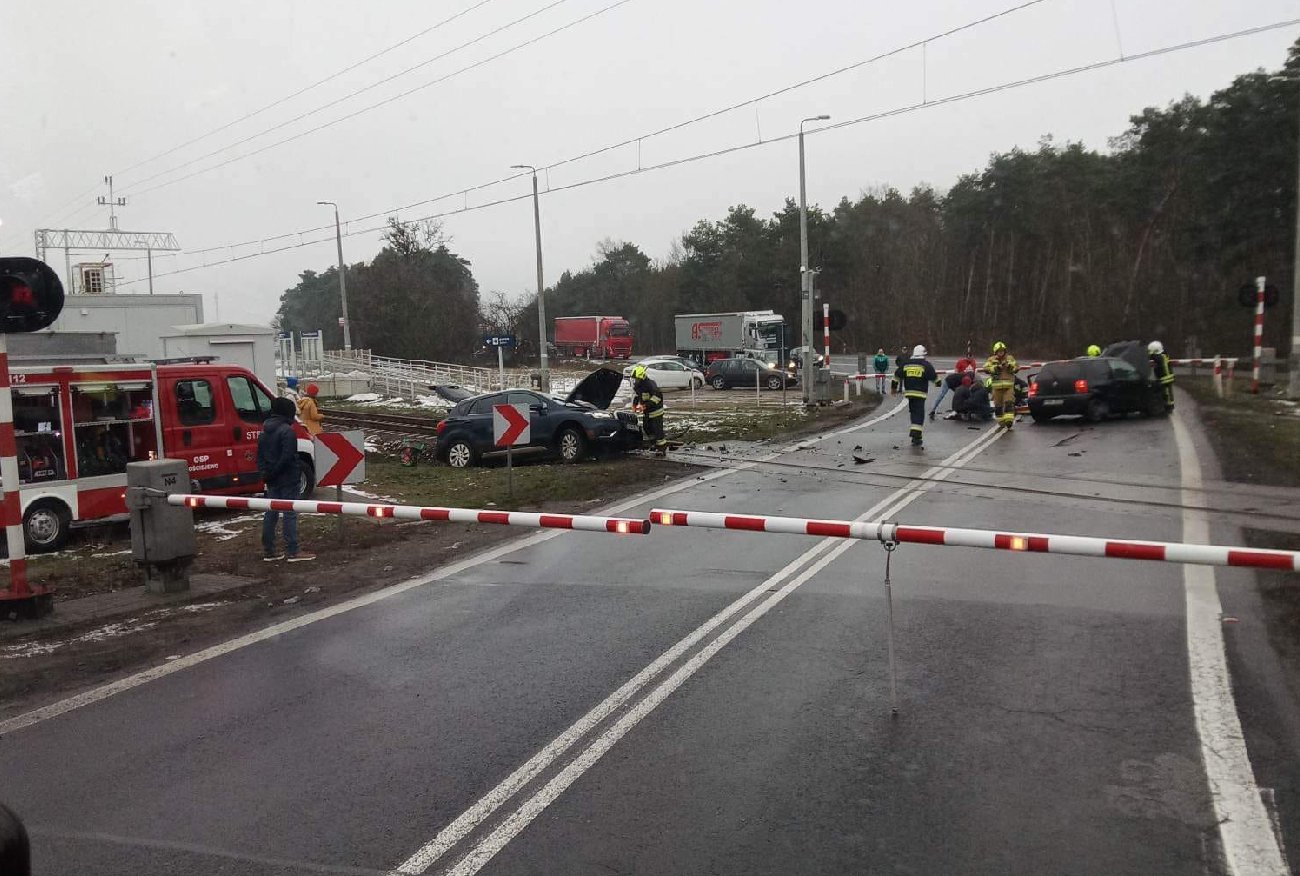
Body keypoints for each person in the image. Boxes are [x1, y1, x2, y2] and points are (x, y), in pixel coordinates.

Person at [258, 396, 314, 562]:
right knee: (289, 513)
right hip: (288, 478)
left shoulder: (264, 431)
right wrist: (279, 472)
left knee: (271, 512)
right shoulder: (287, 431)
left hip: (271, 478)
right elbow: (288, 456)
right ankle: (293, 550)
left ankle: (269, 550)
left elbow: (259, 457)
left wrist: (266, 474)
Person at [895, 345, 941, 447]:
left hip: (909, 393)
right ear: (923, 354)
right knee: (919, 414)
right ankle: (916, 435)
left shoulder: (906, 364)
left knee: (913, 412)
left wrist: (893, 388)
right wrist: (938, 383)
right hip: (920, 394)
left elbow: (897, 375)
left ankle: (916, 435)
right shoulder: (925, 365)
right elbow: (934, 376)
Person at [630, 364, 667, 455]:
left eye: (637, 378)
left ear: (642, 377)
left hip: (656, 411)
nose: (635, 381)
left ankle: (661, 449)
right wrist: (634, 405)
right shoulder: (638, 386)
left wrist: (646, 405)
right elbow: (636, 396)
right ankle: (653, 444)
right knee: (647, 428)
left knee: (657, 430)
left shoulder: (650, 385)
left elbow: (657, 397)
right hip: (647, 412)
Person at [983, 340, 1019, 430]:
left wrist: (1009, 366)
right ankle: (1001, 422)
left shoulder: (1009, 358)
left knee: (1009, 403)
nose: (1001, 352)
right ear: (995, 352)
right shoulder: (991, 359)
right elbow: (986, 368)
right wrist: (996, 367)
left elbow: (1016, 367)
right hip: (996, 387)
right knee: (998, 406)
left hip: (1008, 386)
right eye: (999, 351)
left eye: (1002, 351)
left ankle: (1009, 421)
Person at [1149, 340, 1175, 412]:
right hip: (1165, 376)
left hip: (1166, 377)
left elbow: (1157, 358)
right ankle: (1167, 405)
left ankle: (1169, 406)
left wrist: (1151, 355)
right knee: (1166, 392)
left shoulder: (1161, 356)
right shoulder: (1163, 354)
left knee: (1166, 392)